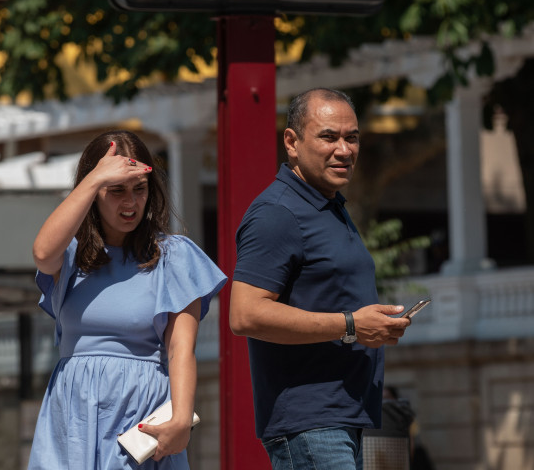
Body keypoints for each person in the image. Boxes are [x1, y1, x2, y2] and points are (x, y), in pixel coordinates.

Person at [229, 87, 411, 470]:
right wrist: (350, 326)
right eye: (329, 137)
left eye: (352, 137)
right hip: (312, 426)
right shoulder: (277, 213)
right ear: (292, 143)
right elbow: (245, 315)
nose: (344, 150)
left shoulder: (330, 206)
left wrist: (374, 327)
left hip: (346, 419)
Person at [26, 130, 227, 470]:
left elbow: (181, 347)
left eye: (139, 189)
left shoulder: (174, 256)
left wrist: (180, 419)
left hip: (140, 412)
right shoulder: (71, 254)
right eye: (116, 190)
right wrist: (95, 179)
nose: (130, 203)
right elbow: (42, 252)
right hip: (73, 412)